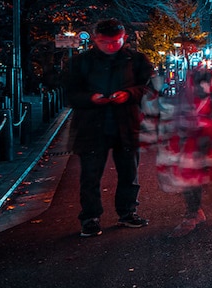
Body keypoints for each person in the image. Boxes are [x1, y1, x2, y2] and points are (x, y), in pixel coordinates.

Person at [64, 18, 154, 237]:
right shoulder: (81, 62)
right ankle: (90, 217)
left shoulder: (136, 59)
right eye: (106, 42)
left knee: (129, 172)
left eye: (117, 41)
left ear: (124, 38)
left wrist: (129, 94)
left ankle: (127, 212)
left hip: (126, 123)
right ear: (95, 39)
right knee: (90, 175)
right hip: (91, 126)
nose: (112, 46)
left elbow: (148, 88)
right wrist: (91, 98)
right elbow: (69, 93)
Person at [158, 66, 212, 237]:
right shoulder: (190, 80)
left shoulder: (208, 80)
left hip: (208, 137)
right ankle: (195, 212)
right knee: (192, 176)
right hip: (193, 137)